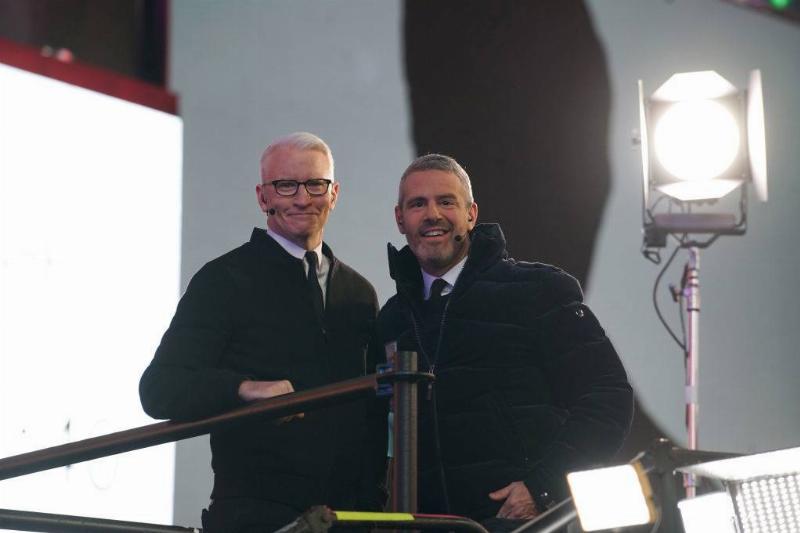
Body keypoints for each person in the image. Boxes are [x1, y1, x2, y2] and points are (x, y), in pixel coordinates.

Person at [139, 132, 387, 532]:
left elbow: (373, 413)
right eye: (286, 185)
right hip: (255, 517)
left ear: (334, 193)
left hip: (348, 518)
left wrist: (374, 507)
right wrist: (243, 388)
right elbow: (159, 388)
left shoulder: (359, 293)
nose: (302, 198)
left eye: (315, 184)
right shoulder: (223, 280)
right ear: (262, 197)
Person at [378, 154, 633, 527]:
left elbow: (607, 397)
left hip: (530, 524)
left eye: (446, 201)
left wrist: (544, 489)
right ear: (400, 219)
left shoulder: (538, 290)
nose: (432, 214)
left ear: (472, 213)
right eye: (418, 204)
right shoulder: (390, 320)